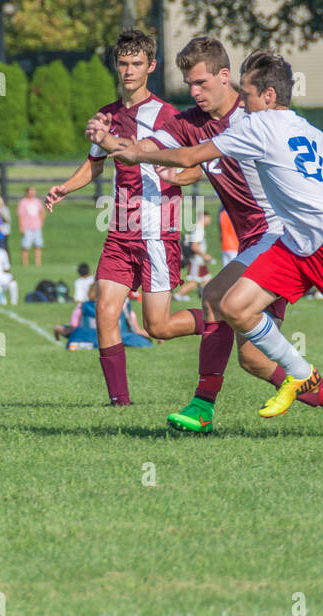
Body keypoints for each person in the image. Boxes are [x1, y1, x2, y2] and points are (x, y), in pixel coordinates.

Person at [99, 49, 323, 437]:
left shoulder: (255, 125)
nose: (245, 100)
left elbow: (190, 155)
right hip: (293, 244)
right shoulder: (306, 127)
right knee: (236, 318)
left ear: (268, 97)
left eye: (249, 94)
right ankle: (302, 377)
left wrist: (134, 151)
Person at [45, 29, 206, 407]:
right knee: (105, 309)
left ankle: (220, 319)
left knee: (157, 327)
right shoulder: (107, 117)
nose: (129, 70)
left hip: (156, 229)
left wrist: (176, 176)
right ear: (116, 65)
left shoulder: (169, 116)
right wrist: (65, 187)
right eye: (123, 63)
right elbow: (94, 164)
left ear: (151, 66)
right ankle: (120, 403)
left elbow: (196, 167)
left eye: (137, 63)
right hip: (120, 230)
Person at [175, 210, 213, 300]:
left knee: (207, 280)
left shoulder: (197, 229)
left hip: (199, 261)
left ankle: (208, 298)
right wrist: (205, 256)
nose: (210, 220)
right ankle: (178, 295)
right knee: (193, 282)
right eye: (208, 218)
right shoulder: (199, 230)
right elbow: (194, 247)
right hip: (197, 260)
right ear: (204, 218)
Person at [16, 186, 45, 266]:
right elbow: (20, 215)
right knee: (25, 246)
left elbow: (42, 212)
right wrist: (21, 226)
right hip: (27, 227)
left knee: (38, 245)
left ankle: (38, 263)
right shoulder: (23, 202)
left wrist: (41, 222)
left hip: (36, 227)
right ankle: (25, 264)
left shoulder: (37, 201)